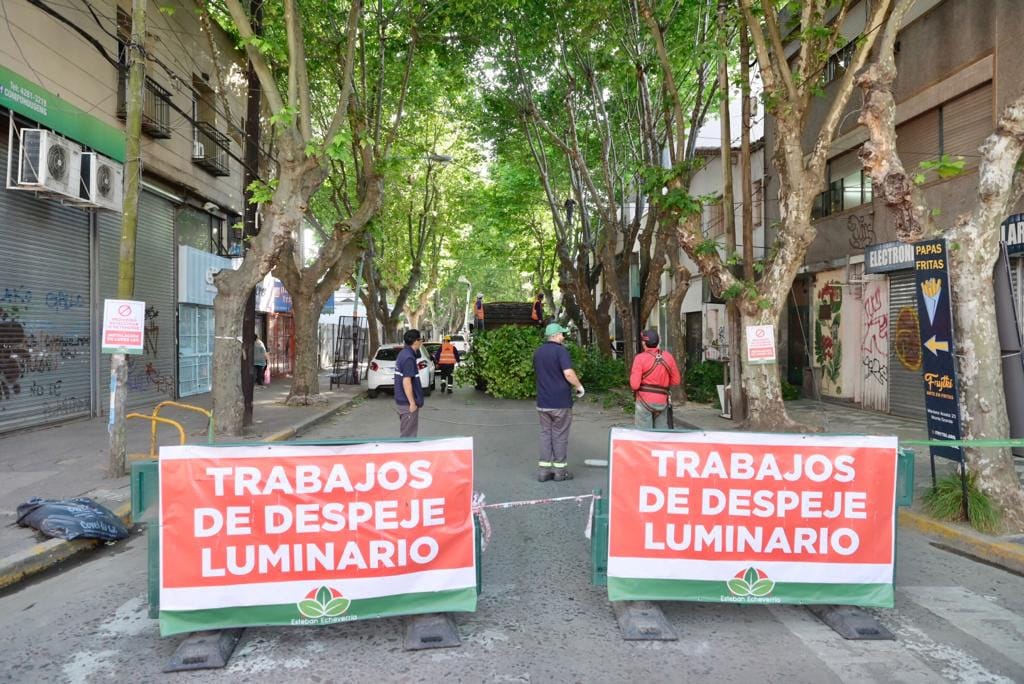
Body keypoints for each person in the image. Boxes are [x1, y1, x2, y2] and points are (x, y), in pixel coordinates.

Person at [533, 322, 584, 482]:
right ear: (555, 335)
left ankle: (543, 471)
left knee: (545, 435)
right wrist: (579, 386)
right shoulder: (561, 352)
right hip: (560, 402)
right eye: (562, 334)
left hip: (543, 402)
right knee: (560, 436)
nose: (563, 336)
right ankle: (560, 472)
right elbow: (568, 373)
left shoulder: (538, 352)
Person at [629, 329, 681, 429]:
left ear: (644, 343)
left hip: (644, 402)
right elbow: (676, 380)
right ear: (658, 342)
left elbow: (634, 385)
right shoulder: (668, 356)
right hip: (662, 402)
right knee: (660, 435)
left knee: (644, 435)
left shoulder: (639, 358)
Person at [394, 329, 425, 437]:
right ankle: (403, 454)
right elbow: (406, 382)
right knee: (408, 436)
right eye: (420, 339)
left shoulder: (403, 353)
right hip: (407, 403)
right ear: (415, 341)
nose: (421, 342)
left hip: (402, 400)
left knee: (407, 433)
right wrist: (412, 403)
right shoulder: (408, 358)